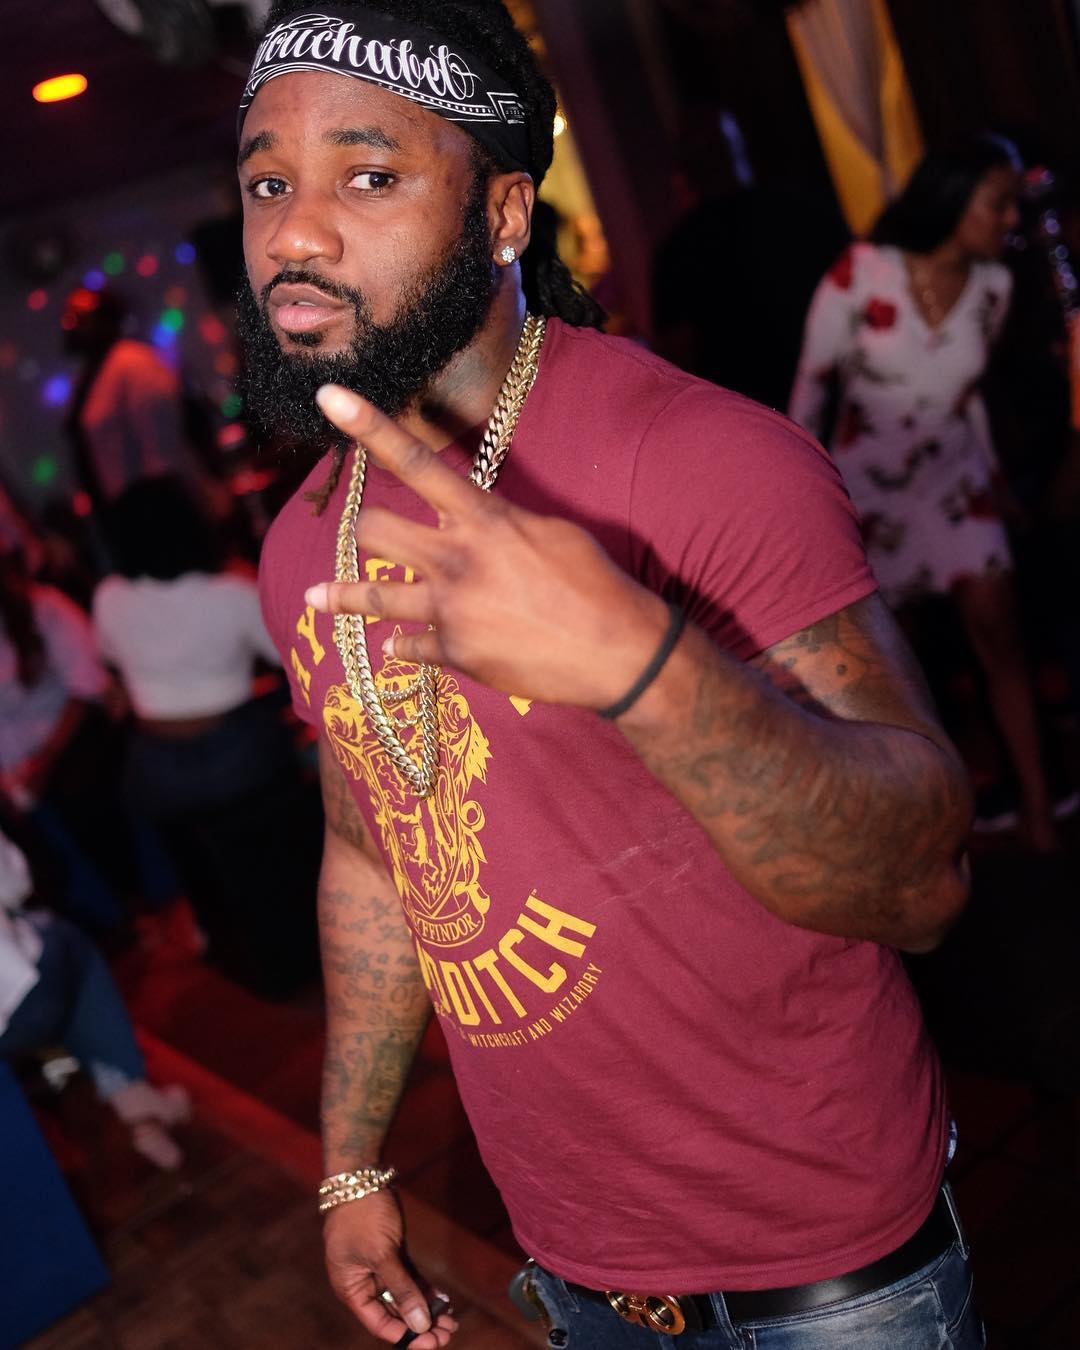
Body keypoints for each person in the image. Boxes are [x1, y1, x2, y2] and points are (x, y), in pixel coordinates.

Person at [245, 4, 980, 1347]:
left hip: (823, 1278)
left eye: (370, 176)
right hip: (574, 1270)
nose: (295, 234)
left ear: (504, 213)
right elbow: (369, 855)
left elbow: (921, 886)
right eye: (267, 185)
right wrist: (351, 1163)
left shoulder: (696, 460)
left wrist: (642, 668)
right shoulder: (305, 540)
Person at [789, 134, 1061, 852]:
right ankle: (934, 830)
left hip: (954, 479)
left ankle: (1039, 812)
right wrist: (796, 496)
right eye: (999, 203)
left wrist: (994, 480)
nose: (1011, 219)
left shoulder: (994, 287)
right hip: (869, 488)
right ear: (954, 198)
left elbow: (968, 396)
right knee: (896, 666)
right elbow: (810, 388)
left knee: (999, 628)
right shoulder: (861, 272)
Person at [93, 476, 288, 824]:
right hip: (239, 751)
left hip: (157, 766)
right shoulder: (233, 591)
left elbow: (113, 665)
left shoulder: (109, 596)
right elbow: (289, 656)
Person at [0, 827, 190, 1169]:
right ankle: (137, 1105)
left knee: (54, 967)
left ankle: (134, 1110)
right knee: (68, 952)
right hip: (23, 1000)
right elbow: (14, 882)